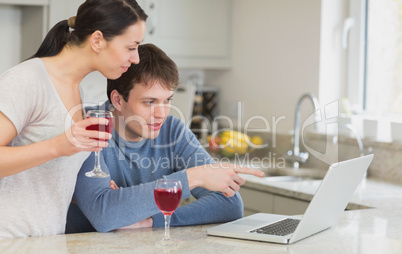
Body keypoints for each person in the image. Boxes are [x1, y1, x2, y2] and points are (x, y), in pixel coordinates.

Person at [66, 43, 264, 233]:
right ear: (118, 99)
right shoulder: (90, 125)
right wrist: (194, 177)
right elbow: (105, 215)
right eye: (150, 102)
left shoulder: (173, 131)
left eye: (167, 100)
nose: (161, 114)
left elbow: (230, 205)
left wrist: (152, 220)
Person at [0, 0, 148, 239]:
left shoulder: (76, 91)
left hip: (46, 244)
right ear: (97, 40)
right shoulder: (27, 80)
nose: (136, 58)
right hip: (8, 242)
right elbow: (57, 148)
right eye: (131, 47)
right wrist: (59, 146)